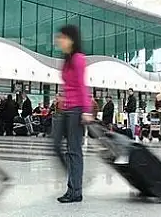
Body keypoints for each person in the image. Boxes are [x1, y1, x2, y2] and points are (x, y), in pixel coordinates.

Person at [52, 25, 92, 204]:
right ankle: (74, 176)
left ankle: (75, 191)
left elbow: (82, 86)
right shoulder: (67, 59)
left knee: (74, 150)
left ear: (71, 39)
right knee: (55, 144)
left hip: (77, 109)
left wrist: (87, 110)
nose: (59, 40)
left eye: (62, 37)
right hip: (66, 108)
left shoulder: (78, 58)